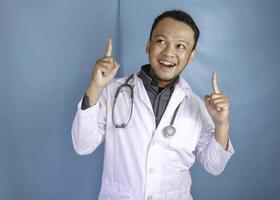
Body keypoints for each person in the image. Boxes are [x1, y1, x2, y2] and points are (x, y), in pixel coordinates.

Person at [72, 10, 235, 200]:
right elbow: (83, 145)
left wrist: (222, 124)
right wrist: (95, 86)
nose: (168, 52)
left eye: (180, 46)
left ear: (191, 56)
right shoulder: (113, 92)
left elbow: (214, 165)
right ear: (148, 45)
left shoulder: (196, 106)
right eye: (161, 42)